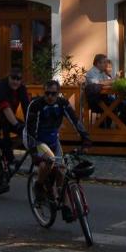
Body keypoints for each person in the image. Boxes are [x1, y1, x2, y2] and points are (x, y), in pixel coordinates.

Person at [25, 80, 91, 214]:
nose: (50, 96)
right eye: (47, 93)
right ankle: (38, 186)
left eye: (53, 94)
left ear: (58, 93)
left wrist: (85, 138)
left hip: (53, 139)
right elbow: (31, 131)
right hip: (36, 140)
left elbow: (75, 120)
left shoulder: (62, 103)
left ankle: (65, 205)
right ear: (43, 93)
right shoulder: (36, 105)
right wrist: (35, 151)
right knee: (46, 164)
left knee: (62, 170)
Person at [0, 66, 30, 195]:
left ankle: (4, 154)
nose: (16, 82)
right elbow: (6, 108)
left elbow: (27, 107)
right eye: (13, 78)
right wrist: (16, 125)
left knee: (26, 133)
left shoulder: (21, 89)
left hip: (6, 119)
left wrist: (30, 125)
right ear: (8, 78)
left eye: (18, 79)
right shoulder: (2, 89)